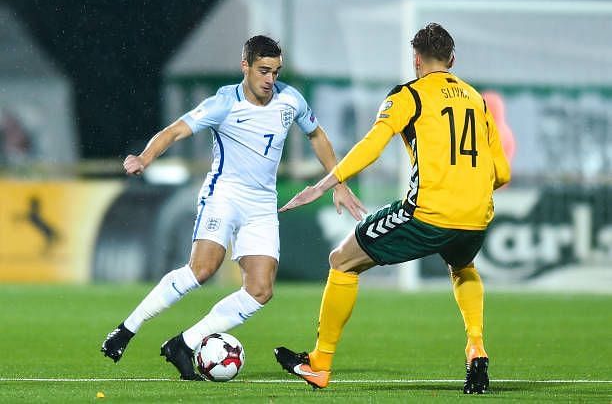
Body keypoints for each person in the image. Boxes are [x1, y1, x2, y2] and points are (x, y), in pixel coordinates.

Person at [100, 35, 365, 380]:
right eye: (264, 71)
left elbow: (316, 135)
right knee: (202, 270)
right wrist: (145, 158)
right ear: (246, 66)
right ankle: (126, 329)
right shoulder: (223, 103)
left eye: (276, 71)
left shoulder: (289, 99)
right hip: (223, 194)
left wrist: (338, 182)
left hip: (262, 203)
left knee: (260, 290)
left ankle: (184, 343)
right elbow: (175, 131)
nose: (271, 79)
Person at [273, 23, 511, 394]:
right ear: (452, 59)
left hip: (428, 215)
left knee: (342, 260)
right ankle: (476, 347)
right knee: (462, 266)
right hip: (477, 217)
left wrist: (325, 183)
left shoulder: (407, 96)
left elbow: (372, 145)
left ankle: (319, 364)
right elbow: (503, 172)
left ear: (416, 59)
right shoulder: (477, 100)